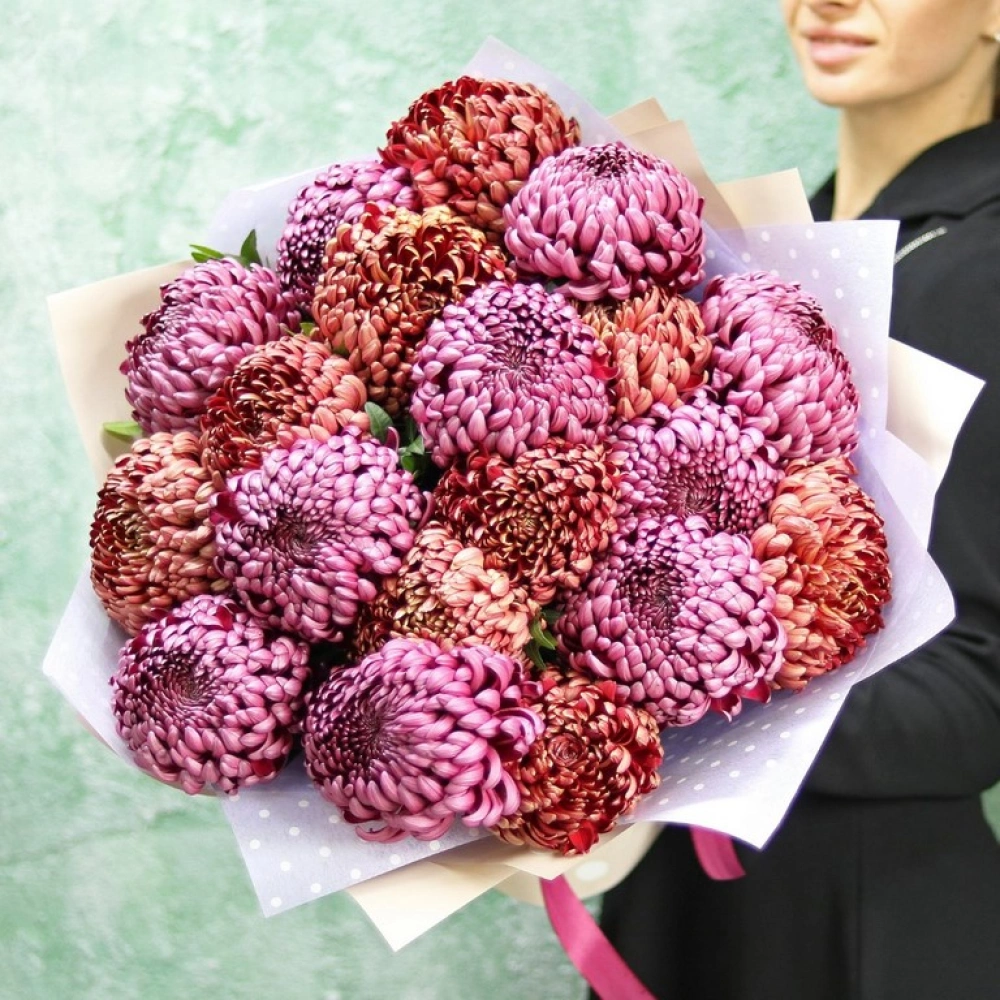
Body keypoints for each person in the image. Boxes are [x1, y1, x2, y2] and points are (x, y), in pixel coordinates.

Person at [595, 2, 1000, 997]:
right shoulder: (758, 252)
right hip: (681, 900)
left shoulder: (985, 266)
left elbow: (980, 688)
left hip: (859, 919)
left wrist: (657, 700)